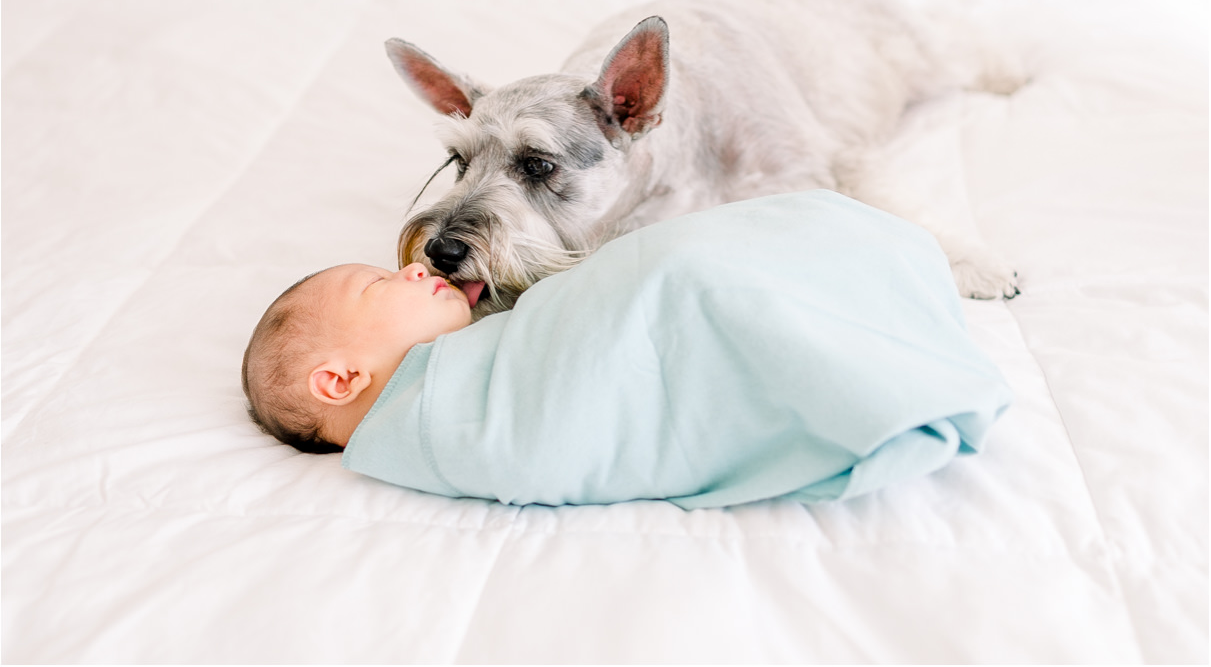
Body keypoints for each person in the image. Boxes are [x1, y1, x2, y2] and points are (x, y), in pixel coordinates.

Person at [242, 191, 1012, 508]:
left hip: (679, 286)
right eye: (384, 284)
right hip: (696, 295)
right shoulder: (435, 429)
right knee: (696, 278)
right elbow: (558, 423)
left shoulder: (466, 364)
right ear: (339, 379)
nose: (417, 266)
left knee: (689, 264)